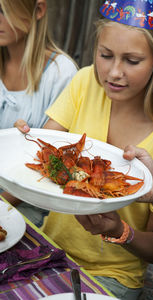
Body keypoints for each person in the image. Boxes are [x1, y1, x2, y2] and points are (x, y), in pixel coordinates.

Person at [14, 0, 153, 299]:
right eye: (105, 55)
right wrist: (24, 141)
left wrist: (119, 231)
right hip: (51, 250)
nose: (113, 72)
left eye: (132, 60)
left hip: (111, 277)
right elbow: (44, 152)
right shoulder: (87, 81)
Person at [0, 0, 77, 227]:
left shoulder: (62, 74)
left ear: (38, 10)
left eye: (4, 11)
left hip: (27, 201)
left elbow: (51, 167)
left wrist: (2, 203)